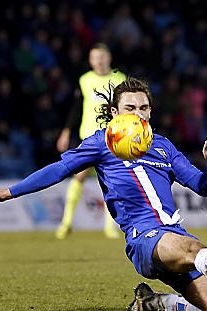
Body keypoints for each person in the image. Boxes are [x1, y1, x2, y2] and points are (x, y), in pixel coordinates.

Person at [0, 77, 207, 311]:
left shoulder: (163, 146)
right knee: (193, 247)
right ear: (115, 112)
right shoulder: (101, 143)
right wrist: (9, 192)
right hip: (144, 239)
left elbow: (203, 187)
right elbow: (59, 169)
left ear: (151, 112)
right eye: (129, 107)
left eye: (143, 107)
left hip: (174, 236)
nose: (137, 113)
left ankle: (154, 303)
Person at [55, 43, 126, 240]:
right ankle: (66, 223)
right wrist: (66, 132)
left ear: (109, 58)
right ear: (90, 60)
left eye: (102, 56)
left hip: (114, 137)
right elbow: (77, 107)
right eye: (95, 57)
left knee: (113, 182)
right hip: (88, 137)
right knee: (78, 177)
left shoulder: (120, 79)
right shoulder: (85, 80)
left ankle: (110, 226)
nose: (99, 61)